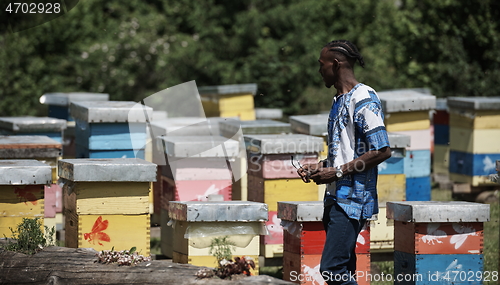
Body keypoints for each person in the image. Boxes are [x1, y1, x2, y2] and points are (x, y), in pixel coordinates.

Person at [297, 40, 391, 285]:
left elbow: (382, 150)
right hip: (335, 198)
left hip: (353, 201)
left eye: (322, 65)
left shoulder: (364, 98)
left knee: (331, 269)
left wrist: (336, 172)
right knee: (344, 266)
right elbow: (346, 151)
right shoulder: (339, 100)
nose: (319, 70)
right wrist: (322, 166)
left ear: (336, 64)